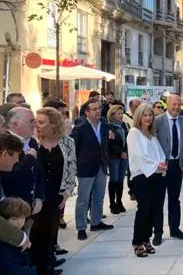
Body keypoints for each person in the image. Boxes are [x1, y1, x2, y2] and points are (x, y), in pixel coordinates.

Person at [33, 107, 77, 275]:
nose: (37, 125)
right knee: (36, 230)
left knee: (51, 229)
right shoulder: (32, 142)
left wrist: (66, 193)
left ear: (53, 124)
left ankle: (48, 261)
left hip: (57, 192)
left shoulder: (67, 142)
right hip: (37, 193)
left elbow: (72, 168)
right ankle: (40, 265)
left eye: (41, 122)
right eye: (36, 121)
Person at [127, 104, 167, 258]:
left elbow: (160, 153)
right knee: (143, 210)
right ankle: (137, 242)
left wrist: (162, 163)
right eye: (145, 115)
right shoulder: (134, 133)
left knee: (153, 211)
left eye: (150, 115)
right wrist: (157, 165)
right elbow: (138, 156)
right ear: (139, 116)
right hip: (142, 177)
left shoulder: (152, 135)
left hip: (156, 176)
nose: (148, 118)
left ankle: (146, 239)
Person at [71, 98, 112, 241]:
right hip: (86, 167)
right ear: (87, 112)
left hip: (101, 166)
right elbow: (74, 148)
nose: (98, 111)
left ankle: (96, 221)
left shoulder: (104, 126)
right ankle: (81, 227)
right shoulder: (80, 128)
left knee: (99, 196)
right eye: (94, 109)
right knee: (83, 199)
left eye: (99, 108)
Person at [154, 94, 183, 243]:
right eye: (174, 104)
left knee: (174, 199)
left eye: (179, 105)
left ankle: (175, 229)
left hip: (177, 166)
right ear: (167, 105)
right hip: (162, 166)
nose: (176, 107)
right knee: (159, 200)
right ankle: (157, 233)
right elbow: (153, 143)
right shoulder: (158, 121)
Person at [0, 197, 34, 275]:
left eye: (22, 218)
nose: (19, 222)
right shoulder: (5, 240)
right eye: (14, 219)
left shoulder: (21, 234)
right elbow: (8, 268)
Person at [106, 105, 128, 215]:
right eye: (118, 113)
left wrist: (127, 152)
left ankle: (119, 201)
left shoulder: (123, 125)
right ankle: (112, 203)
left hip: (124, 157)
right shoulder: (109, 126)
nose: (121, 115)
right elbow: (110, 143)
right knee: (114, 180)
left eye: (122, 113)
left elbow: (127, 139)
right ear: (112, 115)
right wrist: (121, 152)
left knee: (120, 180)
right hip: (114, 157)